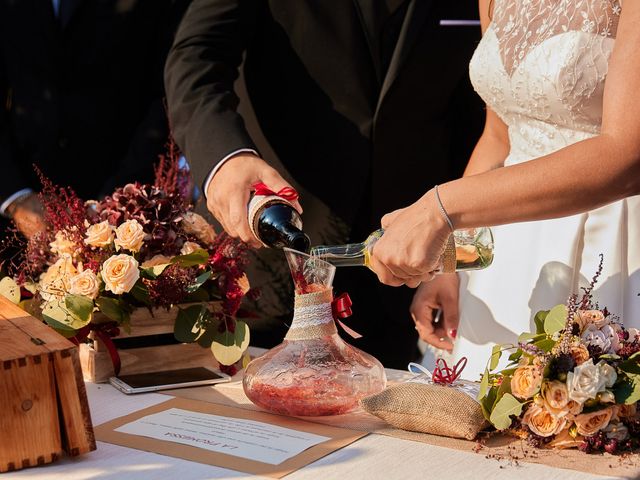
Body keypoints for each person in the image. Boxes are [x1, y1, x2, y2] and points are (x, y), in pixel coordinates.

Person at [164, 0, 485, 369]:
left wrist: (449, 259)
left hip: (399, 281)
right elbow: (197, 55)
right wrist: (227, 159)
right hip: (265, 263)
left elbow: (474, 116)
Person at [369, 0, 640, 379]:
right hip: (503, 258)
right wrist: (451, 260)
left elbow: (626, 157)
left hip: (610, 243)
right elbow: (498, 137)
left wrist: (441, 208)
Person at [0, 0, 189, 240]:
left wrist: (117, 200)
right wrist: (16, 197)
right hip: (17, 216)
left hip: (126, 214)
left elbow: (168, 93)